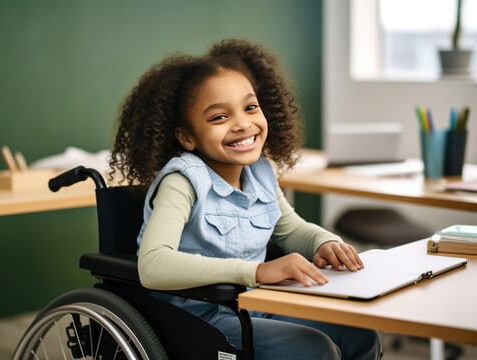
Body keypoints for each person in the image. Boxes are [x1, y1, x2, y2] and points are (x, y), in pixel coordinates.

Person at [109, 39, 381, 359]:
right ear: (187, 137)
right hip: (195, 318)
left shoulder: (261, 171)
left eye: (250, 107)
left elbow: (289, 228)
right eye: (219, 117)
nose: (242, 124)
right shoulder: (182, 181)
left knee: (361, 335)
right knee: (315, 349)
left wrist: (323, 242)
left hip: (254, 305)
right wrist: (257, 272)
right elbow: (153, 265)